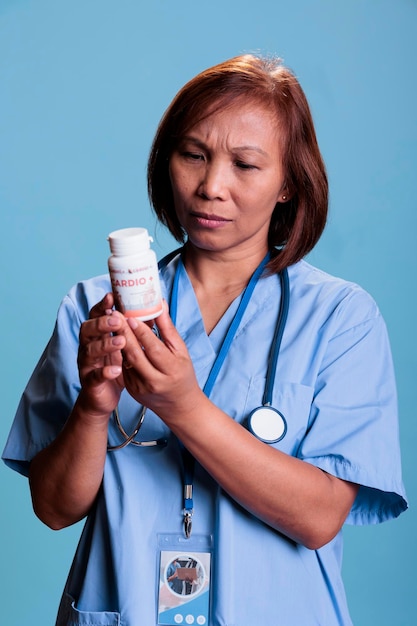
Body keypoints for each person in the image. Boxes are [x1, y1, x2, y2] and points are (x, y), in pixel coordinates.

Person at [2, 54, 407, 625]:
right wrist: (94, 406)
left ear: (289, 181)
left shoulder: (341, 319)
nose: (212, 186)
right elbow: (53, 507)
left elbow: (319, 518)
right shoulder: (96, 309)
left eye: (245, 164)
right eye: (193, 155)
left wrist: (184, 407)